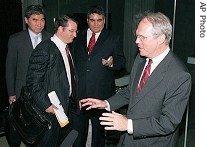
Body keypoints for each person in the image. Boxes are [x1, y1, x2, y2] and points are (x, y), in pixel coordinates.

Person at [80, 12, 192, 147]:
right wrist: (105, 103)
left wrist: (128, 124)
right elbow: (130, 92)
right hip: (127, 140)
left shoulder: (179, 75)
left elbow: (168, 122)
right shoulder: (141, 59)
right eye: (137, 36)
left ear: (161, 38)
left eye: (142, 37)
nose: (136, 41)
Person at [71, 5, 126, 147]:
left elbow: (121, 61)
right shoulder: (77, 36)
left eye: (99, 20)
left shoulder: (113, 37)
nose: (96, 24)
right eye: (92, 20)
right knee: (77, 133)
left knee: (99, 135)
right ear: (87, 20)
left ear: (104, 20)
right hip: (80, 93)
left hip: (102, 94)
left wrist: (112, 63)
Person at [25, 14, 79, 147]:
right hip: (51, 111)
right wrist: (46, 105)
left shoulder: (66, 48)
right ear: (60, 29)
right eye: (71, 31)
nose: (75, 35)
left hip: (65, 108)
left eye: (76, 31)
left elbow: (69, 77)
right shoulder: (44, 49)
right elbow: (33, 82)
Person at [5, 4, 52, 147]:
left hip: (43, 89)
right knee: (21, 124)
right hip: (21, 89)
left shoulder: (50, 38)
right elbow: (10, 67)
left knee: (40, 124)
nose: (39, 24)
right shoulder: (16, 39)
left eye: (42, 20)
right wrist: (11, 92)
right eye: (35, 20)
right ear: (26, 20)